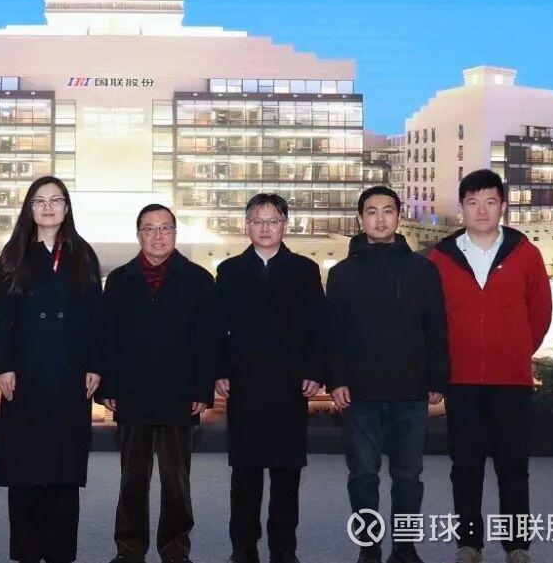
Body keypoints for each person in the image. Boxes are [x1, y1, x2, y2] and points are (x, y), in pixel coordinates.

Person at [427, 170, 551, 563]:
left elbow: (541, 313)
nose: (482, 210)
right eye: (473, 202)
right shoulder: (440, 258)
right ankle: (469, 544)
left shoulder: (525, 253)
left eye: (490, 202)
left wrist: (515, 351)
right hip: (461, 379)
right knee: (465, 466)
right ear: (461, 208)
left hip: (511, 380)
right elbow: (431, 319)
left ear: (503, 206)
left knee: (513, 466)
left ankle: (517, 545)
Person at [327, 186, 449, 563]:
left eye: (387, 211)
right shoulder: (342, 274)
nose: (380, 219)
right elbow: (334, 333)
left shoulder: (424, 270)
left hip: (410, 391)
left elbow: (436, 328)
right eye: (371, 211)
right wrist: (337, 379)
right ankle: (369, 547)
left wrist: (437, 379)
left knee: (408, 476)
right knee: (363, 476)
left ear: (399, 216)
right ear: (360, 219)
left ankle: (405, 548)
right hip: (360, 393)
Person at [98, 204, 218, 563]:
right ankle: (129, 549)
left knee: (176, 481)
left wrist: (202, 389)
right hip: (131, 394)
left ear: (175, 234)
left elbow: (207, 341)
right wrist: (109, 388)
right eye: (149, 229)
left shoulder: (198, 279)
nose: (158, 236)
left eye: (165, 228)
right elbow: (108, 338)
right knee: (132, 480)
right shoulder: (119, 280)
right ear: (138, 235)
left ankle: (175, 549)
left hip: (180, 395)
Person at [0, 175, 102, 563]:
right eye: (40, 201)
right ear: (29, 209)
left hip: (70, 374)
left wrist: (95, 364)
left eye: (56, 200)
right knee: (24, 470)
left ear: (67, 208)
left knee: (63, 470)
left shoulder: (83, 254)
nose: (48, 207)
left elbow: (97, 316)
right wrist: (4, 365)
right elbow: (1, 317)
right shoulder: (14, 253)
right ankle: (26, 552)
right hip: (25, 375)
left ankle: (59, 553)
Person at [214, 193, 327, 563]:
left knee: (286, 475)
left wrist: (315, 371)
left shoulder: (305, 271)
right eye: (257, 221)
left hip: (290, 386)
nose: (265, 228)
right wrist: (220, 371)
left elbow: (318, 328)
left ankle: (283, 549)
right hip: (244, 384)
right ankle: (243, 549)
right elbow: (217, 330)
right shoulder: (230, 271)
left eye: (273, 221)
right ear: (246, 226)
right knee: (245, 475)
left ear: (285, 225)